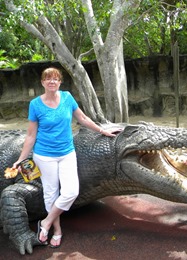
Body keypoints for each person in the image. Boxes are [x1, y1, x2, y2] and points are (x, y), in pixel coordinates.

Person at [12, 67, 122, 248]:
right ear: (42, 82)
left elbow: (83, 118)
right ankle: (57, 230)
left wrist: (103, 130)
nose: (52, 82)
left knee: (71, 191)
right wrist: (20, 159)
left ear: (60, 82)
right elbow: (31, 136)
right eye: (48, 79)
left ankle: (45, 223)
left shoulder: (67, 97)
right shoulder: (35, 105)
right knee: (51, 193)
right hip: (44, 156)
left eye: (55, 79)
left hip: (67, 153)